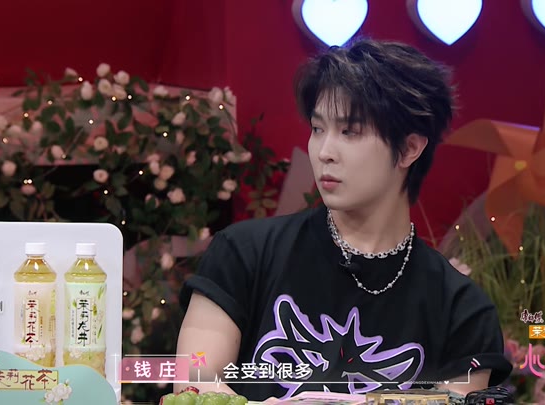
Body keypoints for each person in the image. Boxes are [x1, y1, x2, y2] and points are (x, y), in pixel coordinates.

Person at [175, 38, 512, 401]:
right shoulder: (244, 253)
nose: (324, 152)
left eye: (349, 132)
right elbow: (194, 382)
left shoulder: (462, 310)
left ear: (409, 148)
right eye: (318, 129)